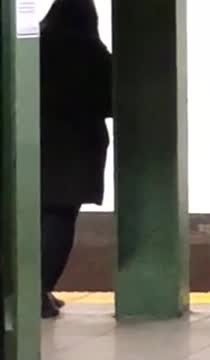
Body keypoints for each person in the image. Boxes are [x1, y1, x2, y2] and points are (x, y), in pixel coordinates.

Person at [39, 0, 112, 318]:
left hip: (34, 141)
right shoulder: (93, 52)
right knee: (60, 218)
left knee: (31, 218)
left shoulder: (34, 47)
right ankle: (39, 289)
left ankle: (29, 290)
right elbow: (112, 101)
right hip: (78, 146)